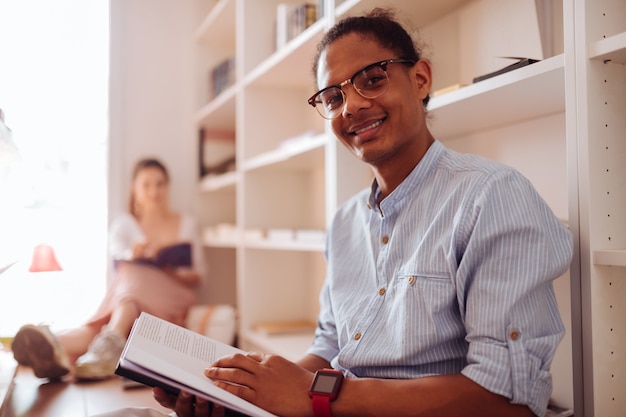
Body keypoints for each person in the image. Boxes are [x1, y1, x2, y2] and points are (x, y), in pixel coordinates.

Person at [95, 7, 573, 417]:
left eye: (372, 79)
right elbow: (329, 351)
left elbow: (506, 400)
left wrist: (317, 395)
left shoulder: (490, 196)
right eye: (333, 97)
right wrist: (238, 392)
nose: (353, 107)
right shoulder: (345, 223)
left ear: (421, 78)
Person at [12, 157, 206, 381]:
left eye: (160, 183)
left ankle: (78, 343)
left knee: (129, 289)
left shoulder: (185, 223)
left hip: (172, 296)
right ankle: (53, 345)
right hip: (132, 298)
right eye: (147, 184)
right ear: (135, 188)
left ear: (167, 186)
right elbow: (118, 254)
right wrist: (134, 254)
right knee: (124, 298)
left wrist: (169, 268)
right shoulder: (125, 224)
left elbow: (199, 276)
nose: (154, 190)